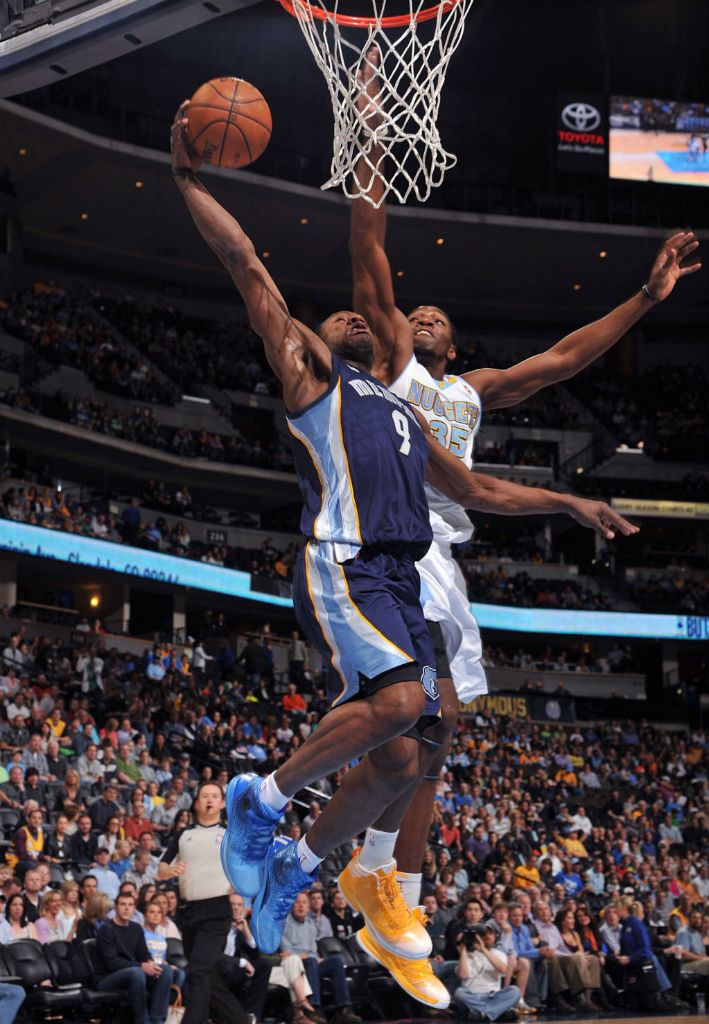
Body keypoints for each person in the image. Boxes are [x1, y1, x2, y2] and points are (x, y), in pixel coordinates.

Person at [170, 100, 636, 972]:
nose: (356, 319)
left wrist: (570, 506)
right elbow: (247, 263)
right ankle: (260, 800)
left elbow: (478, 488)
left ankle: (294, 871)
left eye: (360, 320)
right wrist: (189, 179)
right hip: (346, 563)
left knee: (406, 760)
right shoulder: (312, 375)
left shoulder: (405, 409)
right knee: (402, 706)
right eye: (347, 318)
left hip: (404, 574)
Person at [342, 46, 659, 1005]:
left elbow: (563, 358)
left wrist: (645, 297)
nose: (425, 313)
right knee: (416, 723)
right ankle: (372, 873)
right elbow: (369, 254)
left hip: (447, 558)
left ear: (456, 344)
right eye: (416, 310)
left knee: (440, 737)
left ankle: (391, 888)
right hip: (397, 543)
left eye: (438, 315)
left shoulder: (471, 393)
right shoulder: (392, 364)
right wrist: (366, 138)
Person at [157, 781, 240, 1024]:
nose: (209, 800)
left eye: (214, 796)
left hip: (218, 909)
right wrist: (170, 871)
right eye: (204, 796)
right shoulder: (184, 834)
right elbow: (162, 867)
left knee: (196, 972)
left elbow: (245, 866)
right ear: (196, 803)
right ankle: (241, 1020)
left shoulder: (229, 834)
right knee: (207, 977)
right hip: (189, 911)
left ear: (222, 803)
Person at [281, 893, 361, 1024]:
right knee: (312, 961)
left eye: (304, 903)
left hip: (311, 963)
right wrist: (302, 956)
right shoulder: (285, 923)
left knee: (336, 961)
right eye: (297, 902)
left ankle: (344, 1010)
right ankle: (313, 1010)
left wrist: (315, 958)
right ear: (292, 905)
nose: (301, 905)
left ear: (308, 908)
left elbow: (313, 951)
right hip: (295, 965)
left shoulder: (309, 926)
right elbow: (286, 949)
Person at [94, 891, 172, 1024]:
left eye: (130, 905)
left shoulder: (136, 928)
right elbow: (112, 963)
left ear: (134, 908)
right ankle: (143, 1021)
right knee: (137, 972)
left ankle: (157, 1020)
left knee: (165, 970)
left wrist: (151, 964)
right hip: (107, 978)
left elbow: (144, 955)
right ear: (116, 907)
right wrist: (141, 966)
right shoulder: (106, 929)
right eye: (123, 904)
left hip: (131, 973)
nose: (126, 908)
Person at [218, 893, 273, 1023]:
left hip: (232, 971)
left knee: (264, 965)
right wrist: (241, 962)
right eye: (232, 904)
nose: (236, 908)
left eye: (239, 905)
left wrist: (246, 932)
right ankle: (220, 1015)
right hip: (216, 971)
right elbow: (214, 955)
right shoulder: (218, 926)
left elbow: (255, 956)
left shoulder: (239, 928)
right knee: (228, 967)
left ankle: (251, 1013)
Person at [453, 921, 521, 1022]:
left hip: (493, 996)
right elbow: (463, 975)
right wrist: (463, 949)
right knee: (459, 993)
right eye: (483, 933)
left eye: (490, 933)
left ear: (496, 936)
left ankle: (484, 1013)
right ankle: (498, 1012)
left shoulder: (498, 954)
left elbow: (503, 969)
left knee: (515, 991)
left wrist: (484, 951)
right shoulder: (468, 954)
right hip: (473, 996)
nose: (487, 935)